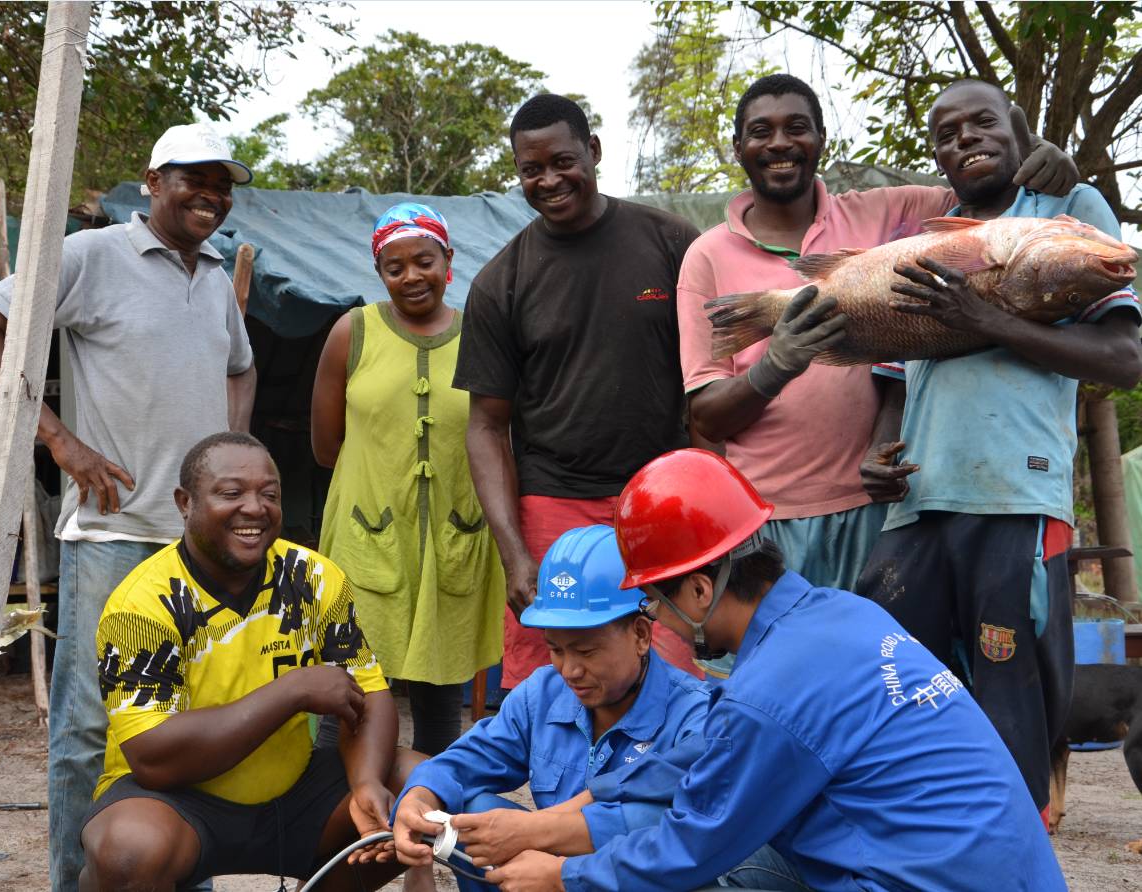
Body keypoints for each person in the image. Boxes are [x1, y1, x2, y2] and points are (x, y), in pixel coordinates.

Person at [485, 449, 1067, 892]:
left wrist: (564, 876)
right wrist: (554, 821)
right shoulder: (840, 615)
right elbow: (710, 753)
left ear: (698, 588)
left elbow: (692, 844)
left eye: (655, 604)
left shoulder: (771, 693)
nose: (659, 620)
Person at [676, 75, 1077, 678]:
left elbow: (985, 189)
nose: (780, 143)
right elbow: (704, 415)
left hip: (884, 514)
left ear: (821, 142)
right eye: (761, 132)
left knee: (880, 689)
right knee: (770, 689)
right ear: (738, 147)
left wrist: (1042, 156)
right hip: (766, 524)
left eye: (796, 128)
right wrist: (775, 366)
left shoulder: (894, 213)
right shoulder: (706, 256)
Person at [0, 122, 258, 890]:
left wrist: (228, 449)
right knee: (88, 727)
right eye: (195, 178)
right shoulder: (91, 256)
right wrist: (60, 440)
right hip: (113, 535)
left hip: (197, 550)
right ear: (152, 182)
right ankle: (72, 881)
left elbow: (241, 368)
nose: (211, 195)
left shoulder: (216, 276)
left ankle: (183, 874)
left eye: (222, 182)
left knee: (189, 729)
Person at [857, 78, 1142, 822]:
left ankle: (1014, 851)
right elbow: (893, 383)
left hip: (1015, 498)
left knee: (1013, 699)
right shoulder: (919, 243)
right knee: (896, 689)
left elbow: (1122, 356)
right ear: (936, 158)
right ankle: (914, 848)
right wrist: (878, 454)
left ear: (1016, 131)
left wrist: (986, 319)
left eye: (980, 122)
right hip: (915, 508)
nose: (964, 140)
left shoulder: (1065, 211)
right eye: (946, 134)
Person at [79, 432, 407, 891]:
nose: (254, 508)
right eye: (231, 494)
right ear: (185, 503)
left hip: (296, 794)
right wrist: (292, 691)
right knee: (130, 849)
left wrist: (367, 781)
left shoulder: (312, 576)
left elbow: (369, 694)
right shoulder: (144, 604)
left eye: (269, 494)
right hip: (179, 802)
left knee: (420, 786)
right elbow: (155, 759)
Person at [453, 93, 702, 689]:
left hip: (659, 500)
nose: (548, 180)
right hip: (554, 503)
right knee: (553, 674)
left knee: (668, 668)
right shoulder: (501, 282)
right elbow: (486, 426)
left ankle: (657, 785)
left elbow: (710, 379)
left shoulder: (673, 243)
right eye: (530, 170)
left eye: (562, 161)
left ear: (592, 151)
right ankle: (558, 785)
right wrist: (514, 552)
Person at [389, 525, 711, 891]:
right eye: (556, 649)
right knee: (474, 813)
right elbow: (465, 762)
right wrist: (419, 798)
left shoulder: (695, 716)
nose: (570, 671)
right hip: (544, 875)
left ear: (640, 634)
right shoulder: (542, 694)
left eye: (587, 651)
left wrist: (541, 843)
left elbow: (675, 835)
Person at [311, 202, 505, 758]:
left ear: (448, 259)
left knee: (440, 701)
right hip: (366, 537)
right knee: (350, 691)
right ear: (379, 273)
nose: (411, 276)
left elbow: (498, 434)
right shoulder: (353, 333)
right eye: (394, 267)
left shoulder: (480, 336)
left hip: (453, 540)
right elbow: (326, 447)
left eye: (424, 261)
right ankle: (338, 826)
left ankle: (423, 829)